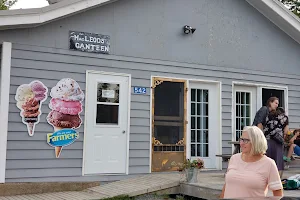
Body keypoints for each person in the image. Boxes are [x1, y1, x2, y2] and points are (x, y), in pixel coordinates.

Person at [220, 126, 283, 199]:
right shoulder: (234, 158)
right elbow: (227, 186)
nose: (241, 143)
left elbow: (278, 194)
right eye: (241, 139)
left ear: (256, 142)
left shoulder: (269, 164)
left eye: (245, 140)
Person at [264, 107, 289, 178]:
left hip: (267, 140)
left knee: (268, 160)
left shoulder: (268, 116)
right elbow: (286, 131)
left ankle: (267, 179)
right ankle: (277, 180)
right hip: (278, 140)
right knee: (278, 162)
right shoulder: (284, 117)